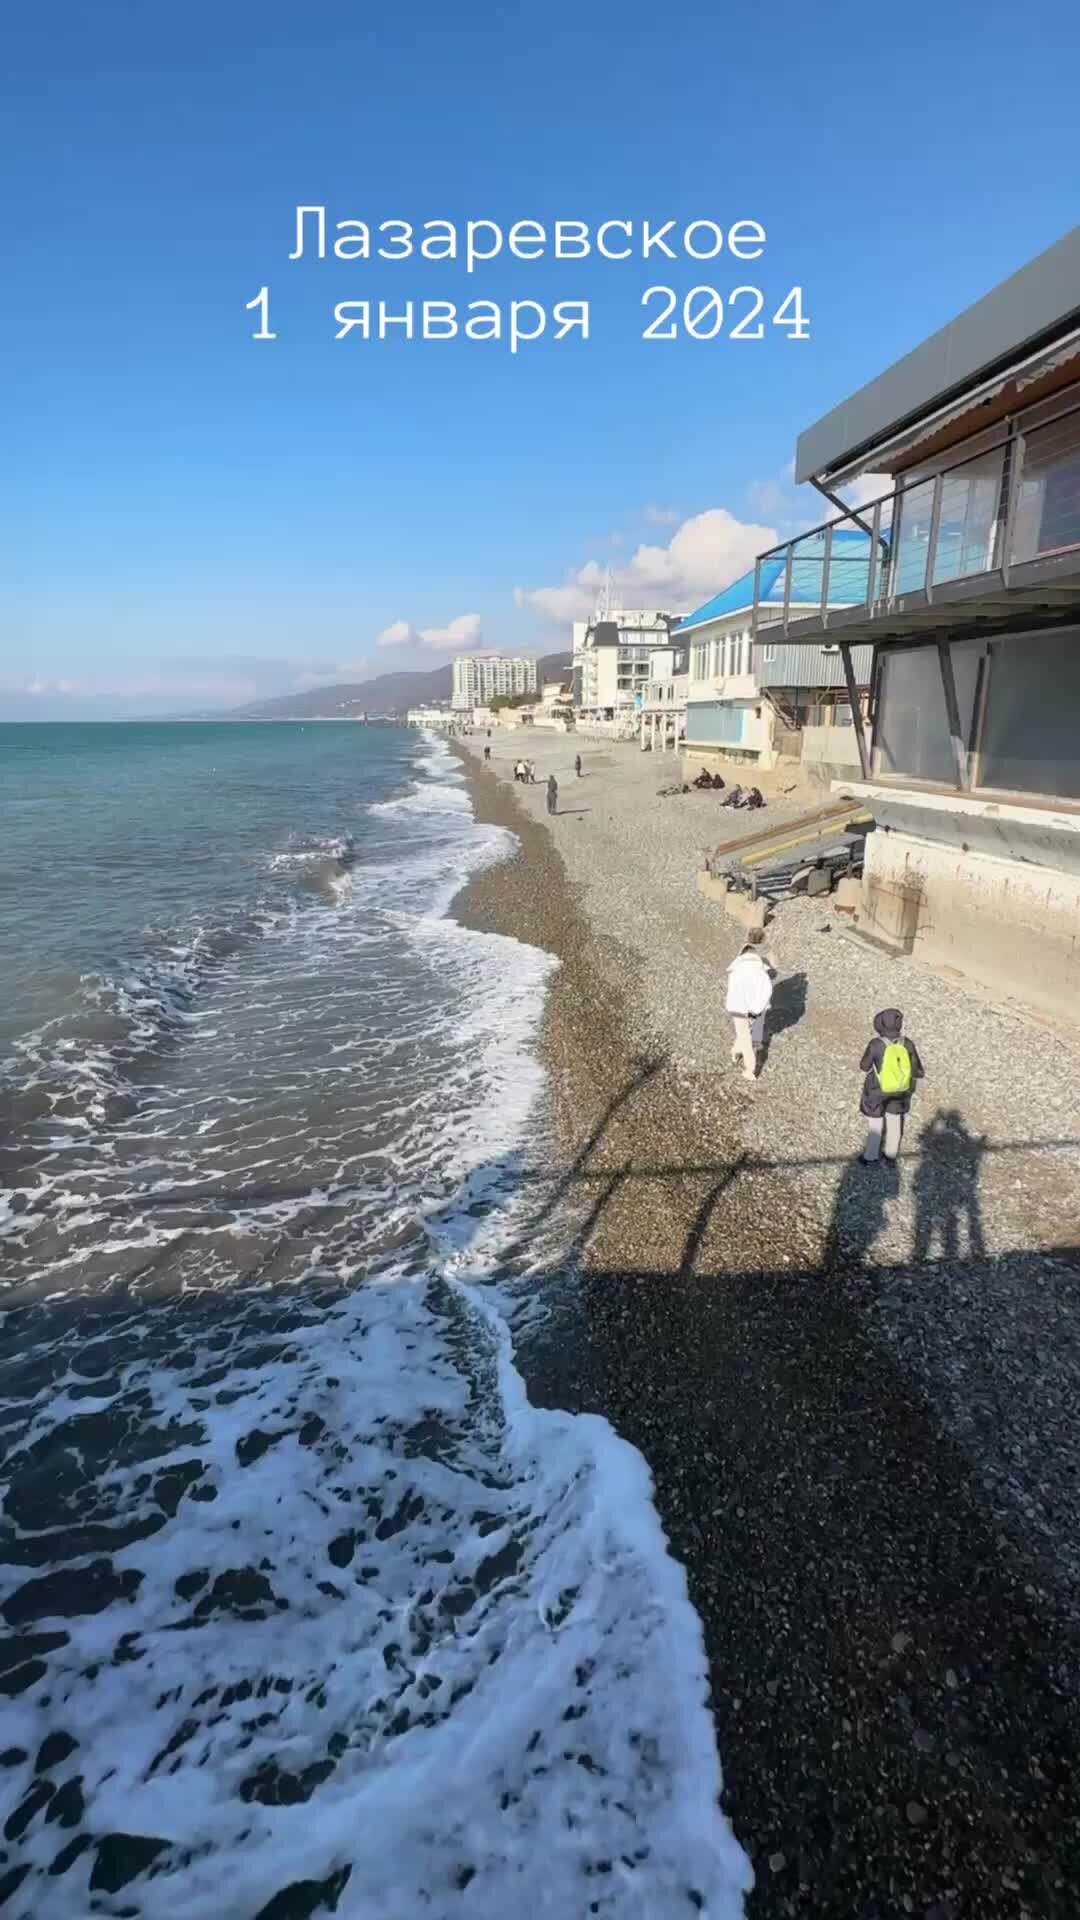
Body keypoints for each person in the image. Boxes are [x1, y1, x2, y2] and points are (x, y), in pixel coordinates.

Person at [858, 1007, 924, 1165]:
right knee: (894, 1119)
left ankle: (870, 1156)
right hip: (900, 1090)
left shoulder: (875, 1044)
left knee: (876, 1120)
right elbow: (918, 1071)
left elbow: (864, 1066)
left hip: (877, 1088)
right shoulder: (907, 1044)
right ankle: (890, 1156)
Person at [725, 928, 774, 1082]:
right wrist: (757, 1010)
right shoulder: (761, 971)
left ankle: (743, 1060)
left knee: (744, 1035)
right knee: (747, 1035)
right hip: (755, 1008)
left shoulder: (736, 969)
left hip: (737, 1007)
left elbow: (733, 990)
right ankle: (744, 1061)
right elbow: (766, 991)